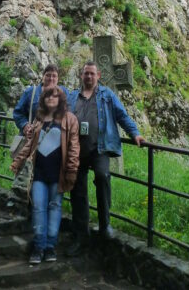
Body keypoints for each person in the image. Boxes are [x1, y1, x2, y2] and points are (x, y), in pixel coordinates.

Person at [66, 61, 144, 256]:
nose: (89, 77)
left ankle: (105, 224)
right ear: (81, 75)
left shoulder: (107, 95)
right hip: (76, 150)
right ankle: (80, 236)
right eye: (86, 74)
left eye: (92, 74)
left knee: (102, 177)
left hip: (99, 148)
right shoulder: (72, 96)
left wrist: (134, 133)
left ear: (98, 75)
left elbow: (122, 115)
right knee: (77, 191)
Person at [10, 86, 80, 264]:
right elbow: (29, 144)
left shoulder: (70, 120)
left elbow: (73, 147)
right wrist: (18, 161)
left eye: (54, 96)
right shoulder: (39, 119)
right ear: (43, 99)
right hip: (39, 173)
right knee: (38, 207)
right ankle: (39, 246)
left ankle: (50, 246)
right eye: (47, 96)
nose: (51, 98)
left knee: (55, 206)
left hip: (58, 173)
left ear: (61, 99)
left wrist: (72, 170)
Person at [13, 64, 68, 138]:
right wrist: (24, 126)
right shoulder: (31, 92)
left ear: (58, 78)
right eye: (48, 75)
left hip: (55, 140)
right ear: (43, 76)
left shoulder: (64, 93)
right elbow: (18, 112)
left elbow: (69, 112)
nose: (51, 78)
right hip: (32, 139)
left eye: (54, 76)